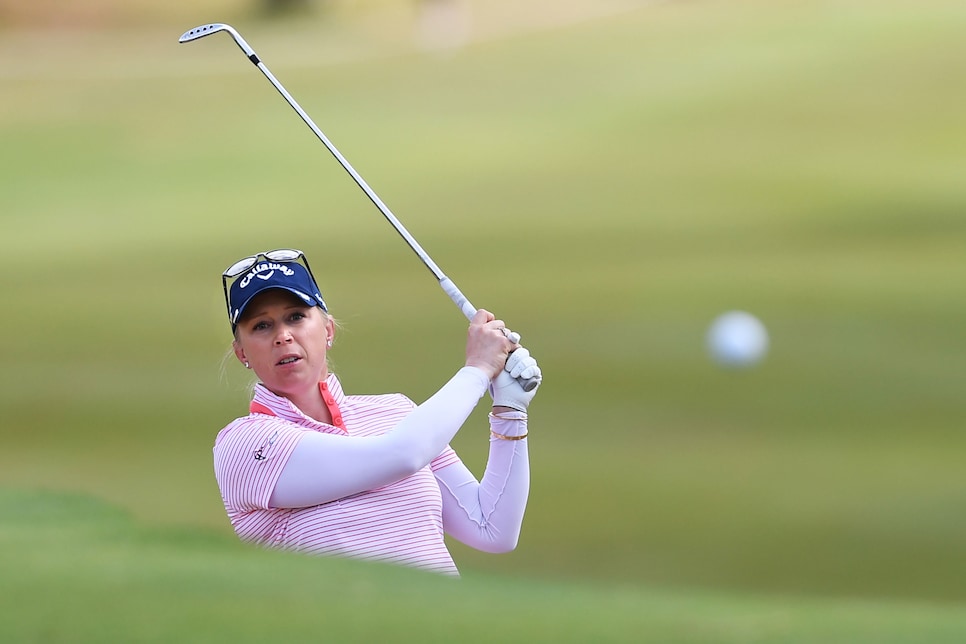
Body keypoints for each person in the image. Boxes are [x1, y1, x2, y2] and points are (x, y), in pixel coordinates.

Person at [213, 249, 542, 576]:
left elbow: (491, 527)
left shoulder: (396, 413)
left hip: (449, 624)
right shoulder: (245, 444)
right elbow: (403, 454)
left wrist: (509, 411)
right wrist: (479, 369)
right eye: (261, 326)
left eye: (296, 316)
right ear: (241, 352)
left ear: (328, 330)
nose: (283, 336)